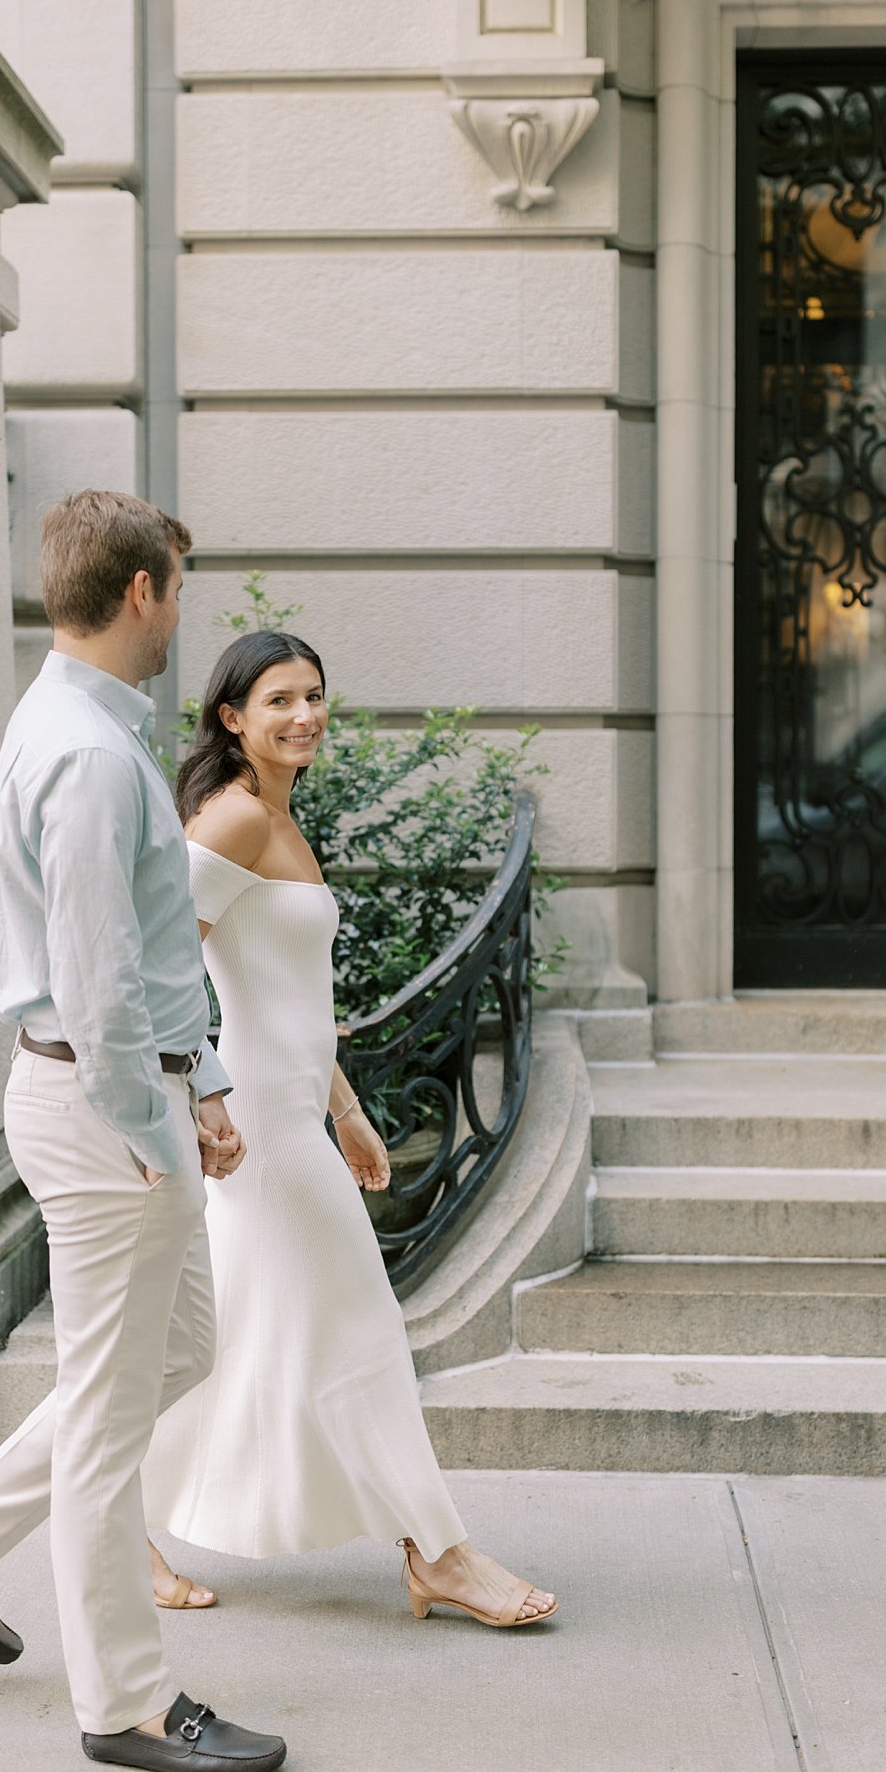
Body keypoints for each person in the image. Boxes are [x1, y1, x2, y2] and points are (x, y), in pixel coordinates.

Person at [0, 490, 286, 1772]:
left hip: (126, 1091)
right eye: (177, 582)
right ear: (142, 592)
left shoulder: (84, 726)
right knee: (112, 1423)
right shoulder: (93, 753)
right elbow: (100, 981)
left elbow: (152, 954)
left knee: (179, 1346)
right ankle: (128, 1700)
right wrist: (150, 1128)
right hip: (102, 1104)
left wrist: (204, 1078)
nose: (181, 609)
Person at [141, 630, 557, 1631]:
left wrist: (347, 1109)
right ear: (231, 716)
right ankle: (441, 1554)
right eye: (278, 699)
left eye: (315, 695)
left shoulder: (280, 814)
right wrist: (201, 1097)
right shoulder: (235, 818)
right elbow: (161, 966)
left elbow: (291, 997)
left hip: (294, 1119)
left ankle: (124, 1517)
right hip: (255, 1134)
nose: (304, 715)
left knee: (241, 1342)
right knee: (356, 1328)